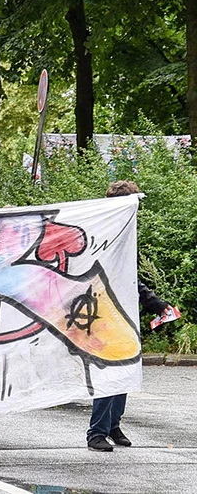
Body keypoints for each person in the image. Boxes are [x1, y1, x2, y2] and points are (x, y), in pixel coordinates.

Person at [86, 180, 178, 452]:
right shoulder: (109, 235)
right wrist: (157, 304)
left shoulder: (123, 233)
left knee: (123, 371)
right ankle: (96, 433)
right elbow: (121, 278)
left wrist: (158, 306)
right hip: (103, 314)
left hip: (121, 314)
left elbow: (130, 279)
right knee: (109, 374)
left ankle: (112, 425)